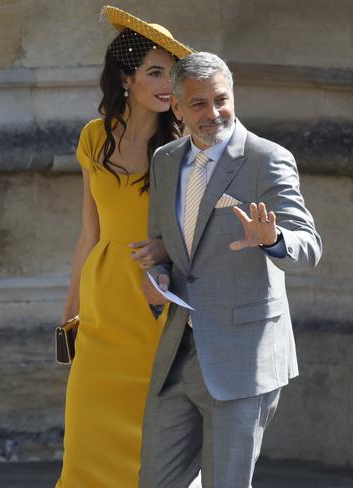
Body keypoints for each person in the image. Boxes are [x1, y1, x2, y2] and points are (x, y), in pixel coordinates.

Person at [140, 52, 323, 488]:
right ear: (177, 108)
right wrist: (157, 281)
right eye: (199, 104)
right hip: (177, 358)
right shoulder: (165, 160)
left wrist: (273, 241)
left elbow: (309, 245)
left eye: (221, 99)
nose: (214, 112)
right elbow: (162, 250)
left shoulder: (266, 159)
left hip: (243, 359)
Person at [55, 6, 193, 487]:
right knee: (87, 429)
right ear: (125, 77)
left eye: (172, 75)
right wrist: (70, 310)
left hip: (156, 301)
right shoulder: (93, 139)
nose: (165, 84)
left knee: (152, 439)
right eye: (154, 72)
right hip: (101, 305)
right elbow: (89, 233)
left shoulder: (183, 148)